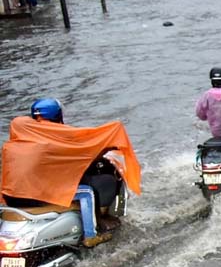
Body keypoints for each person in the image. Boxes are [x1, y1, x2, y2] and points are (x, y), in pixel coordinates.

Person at [3, 99, 129, 246]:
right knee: (87, 193)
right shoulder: (51, 140)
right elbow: (80, 153)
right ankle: (91, 236)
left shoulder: (14, 142)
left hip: (11, 197)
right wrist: (109, 141)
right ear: (58, 115)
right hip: (34, 195)